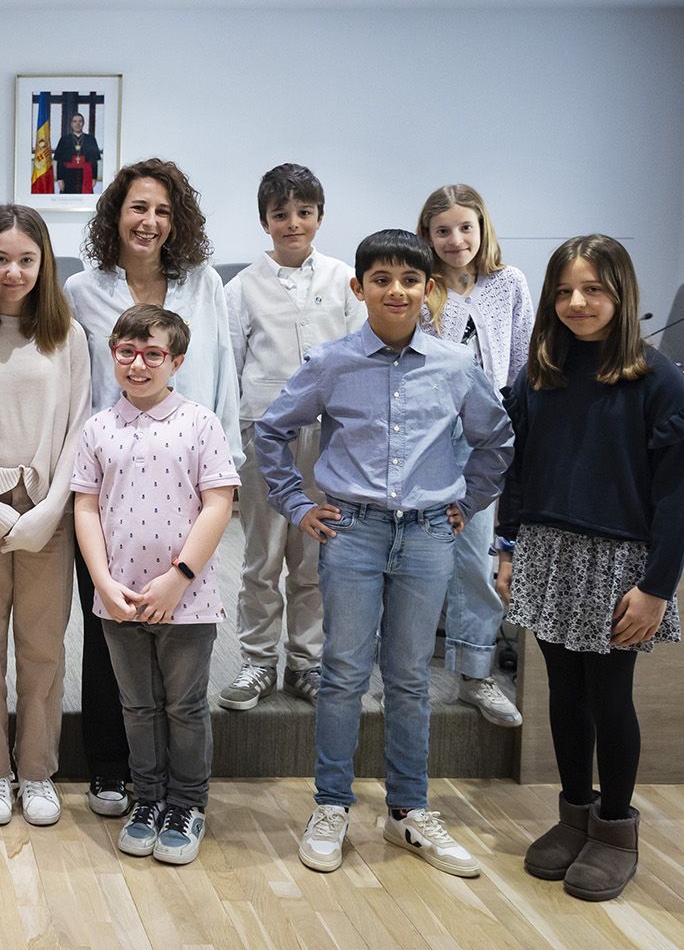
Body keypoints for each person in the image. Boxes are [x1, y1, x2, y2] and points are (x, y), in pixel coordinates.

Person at [255, 229, 512, 880]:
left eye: (409, 279)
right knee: (343, 673)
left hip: (428, 533)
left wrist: (468, 501)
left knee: (409, 677)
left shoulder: (454, 366)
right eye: (381, 279)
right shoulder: (332, 362)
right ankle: (332, 805)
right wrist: (297, 504)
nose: (395, 290)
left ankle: (408, 811)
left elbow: (497, 438)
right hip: (355, 532)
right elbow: (272, 431)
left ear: (429, 288)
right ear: (358, 287)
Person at [497, 234, 684, 902]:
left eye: (592, 289)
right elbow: (518, 469)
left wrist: (656, 587)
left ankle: (615, 829)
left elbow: (678, 497)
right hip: (547, 550)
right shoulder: (542, 373)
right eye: (564, 291)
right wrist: (506, 547)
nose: (577, 302)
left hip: (621, 563)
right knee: (562, 693)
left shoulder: (657, 377)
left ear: (620, 293)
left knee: (608, 696)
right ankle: (574, 815)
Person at [65, 158, 240, 819]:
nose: (150, 221)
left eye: (163, 211)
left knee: (180, 639)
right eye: (138, 208)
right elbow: (77, 384)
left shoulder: (202, 285)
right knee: (107, 629)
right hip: (108, 484)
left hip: (192, 482)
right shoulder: (84, 290)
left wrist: (232, 469)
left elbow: (222, 372)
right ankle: (112, 770)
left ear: (178, 222)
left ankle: (180, 790)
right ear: (117, 216)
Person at [73, 305, 239, 865]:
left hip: (185, 600)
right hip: (117, 597)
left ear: (177, 362)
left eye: (153, 355)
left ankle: (187, 803)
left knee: (184, 705)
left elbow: (218, 503)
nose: (138, 365)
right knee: (137, 706)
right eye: (127, 353)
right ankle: (148, 798)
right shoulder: (98, 428)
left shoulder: (200, 422)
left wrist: (179, 578)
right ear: (113, 355)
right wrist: (101, 582)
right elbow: (86, 509)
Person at [0, 204, 90, 828]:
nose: (13, 271)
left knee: (42, 647)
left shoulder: (68, 336)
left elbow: (79, 429)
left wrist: (51, 509)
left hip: (48, 513)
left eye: (27, 260)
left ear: (45, 264)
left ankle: (36, 769)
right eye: (1, 258)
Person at [220, 165, 361, 710]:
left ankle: (306, 660)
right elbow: (230, 371)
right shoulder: (241, 288)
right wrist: (230, 451)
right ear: (265, 221)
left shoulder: (345, 280)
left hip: (329, 436)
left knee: (314, 556)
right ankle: (257, 661)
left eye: (304, 213)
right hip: (265, 432)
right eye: (281, 214)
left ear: (320, 218)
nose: (293, 223)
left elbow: (357, 358)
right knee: (263, 553)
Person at [417, 184, 533, 727]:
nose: (455, 239)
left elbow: (524, 359)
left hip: (486, 438)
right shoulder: (421, 286)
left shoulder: (508, 284)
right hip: (429, 437)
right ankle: (403, 670)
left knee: (474, 559)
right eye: (443, 230)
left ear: (482, 228)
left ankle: (474, 674)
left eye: (466, 227)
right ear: (428, 236)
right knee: (413, 556)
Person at [53, 112, 103, 195]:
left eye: (80, 121)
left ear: (83, 123)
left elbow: (94, 161)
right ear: (71, 124)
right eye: (75, 121)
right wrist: (60, 179)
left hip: (86, 174)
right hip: (68, 174)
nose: (77, 124)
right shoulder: (64, 139)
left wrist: (94, 177)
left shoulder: (90, 139)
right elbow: (60, 161)